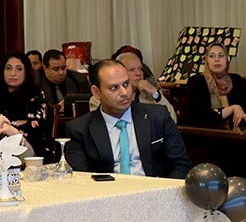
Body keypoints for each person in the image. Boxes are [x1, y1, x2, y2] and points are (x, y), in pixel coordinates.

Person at [63, 59, 193, 178]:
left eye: (126, 84)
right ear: (96, 92)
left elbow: (181, 163)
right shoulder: (79, 129)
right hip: (108, 193)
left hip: (155, 191)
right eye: (114, 88)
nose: (124, 93)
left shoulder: (157, 116)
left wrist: (164, 193)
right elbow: (80, 178)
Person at [186, 42, 246, 127]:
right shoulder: (197, 82)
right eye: (212, 56)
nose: (217, 59)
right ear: (207, 61)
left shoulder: (236, 80)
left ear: (227, 60)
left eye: (221, 56)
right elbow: (200, 116)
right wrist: (231, 109)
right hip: (208, 132)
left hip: (236, 131)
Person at [0, 51, 55, 160]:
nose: (13, 73)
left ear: (26, 71)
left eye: (19, 69)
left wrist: (8, 127)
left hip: (33, 154)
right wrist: (17, 124)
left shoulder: (36, 95)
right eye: (8, 68)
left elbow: (34, 129)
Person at [116, 50, 178, 122]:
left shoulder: (149, 94)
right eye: (132, 70)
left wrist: (155, 93)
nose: (139, 73)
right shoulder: (113, 95)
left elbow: (172, 119)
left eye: (140, 69)